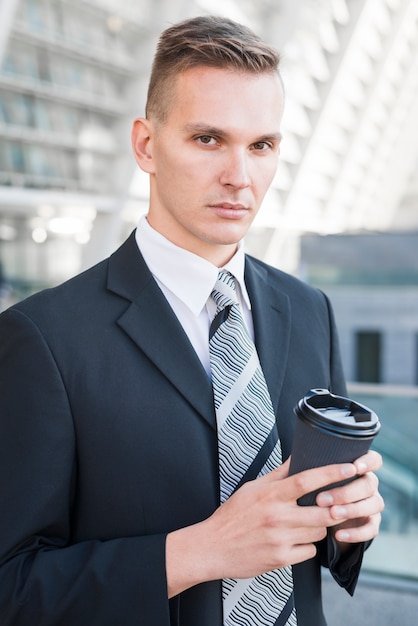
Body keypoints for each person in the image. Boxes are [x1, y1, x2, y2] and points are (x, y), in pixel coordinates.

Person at [0, 15, 383, 626]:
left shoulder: (310, 309)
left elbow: (316, 535)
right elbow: (11, 588)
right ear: (146, 145)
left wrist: (350, 523)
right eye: (209, 139)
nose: (241, 176)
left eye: (262, 145)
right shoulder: (43, 340)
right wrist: (195, 553)